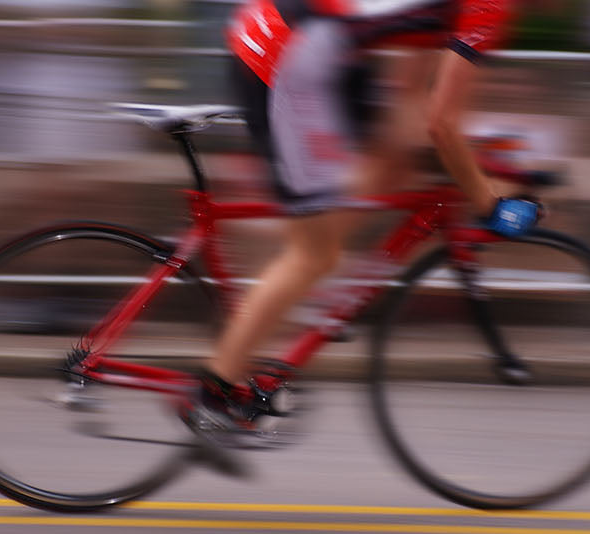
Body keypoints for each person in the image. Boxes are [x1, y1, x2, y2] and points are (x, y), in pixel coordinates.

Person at [192, 0, 542, 437]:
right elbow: (440, 124)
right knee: (313, 256)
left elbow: (410, 110)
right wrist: (487, 201)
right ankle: (213, 393)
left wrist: (478, 172)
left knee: (389, 165)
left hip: (294, 34)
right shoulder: (493, 5)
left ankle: (303, 293)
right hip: (291, 49)